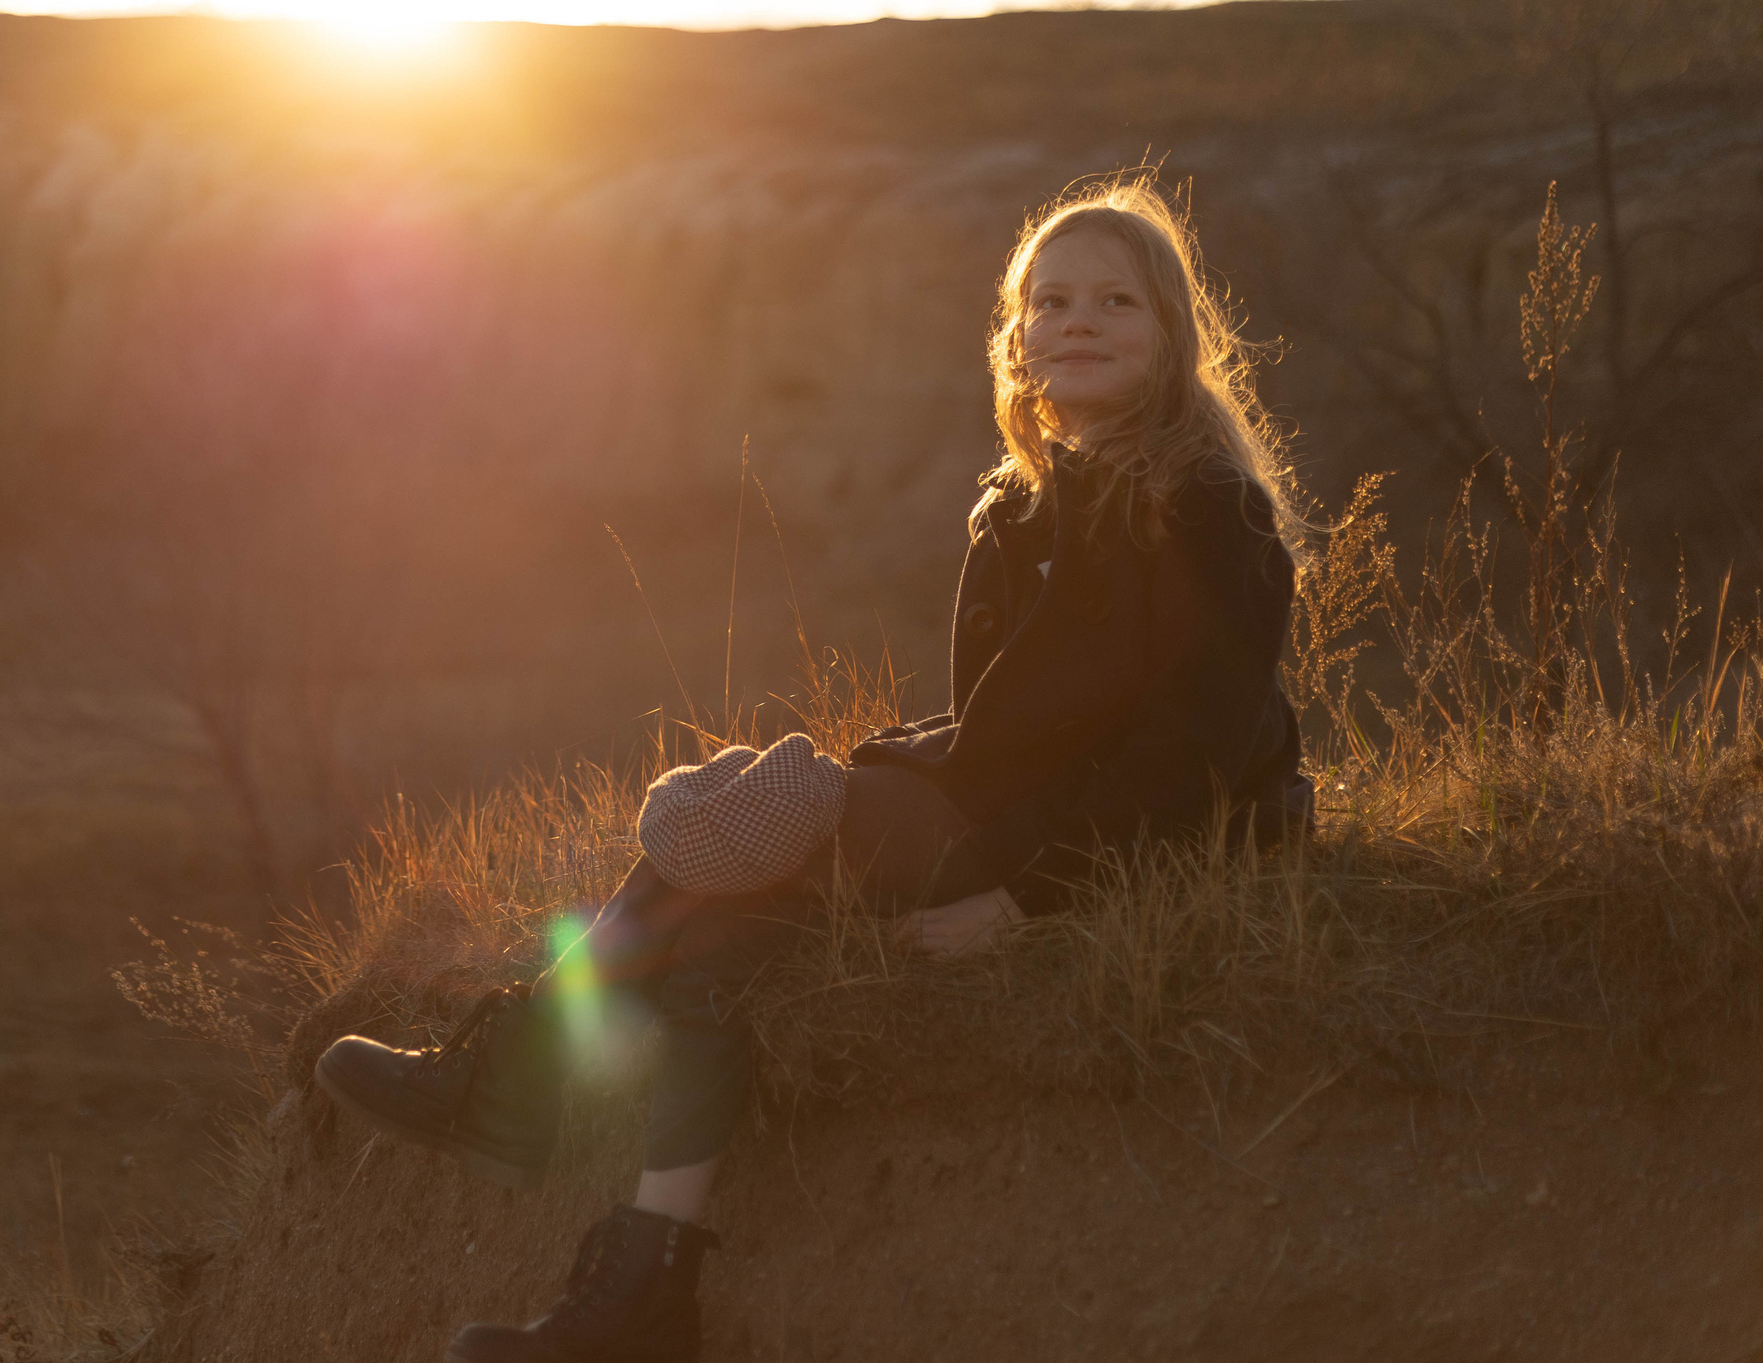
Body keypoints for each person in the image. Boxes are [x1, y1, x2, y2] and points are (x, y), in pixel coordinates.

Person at [313, 180, 1313, 1363]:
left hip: (1134, 840)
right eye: (1049, 301)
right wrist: (895, 772)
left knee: (767, 809)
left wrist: (1026, 899)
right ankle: (644, 1297)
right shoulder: (1020, 505)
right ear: (1017, 337)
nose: (1076, 322)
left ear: (1172, 337)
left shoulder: (1209, 508)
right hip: (1005, 807)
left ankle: (514, 1072)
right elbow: (1003, 727)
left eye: (1114, 302)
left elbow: (1191, 760)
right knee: (719, 949)